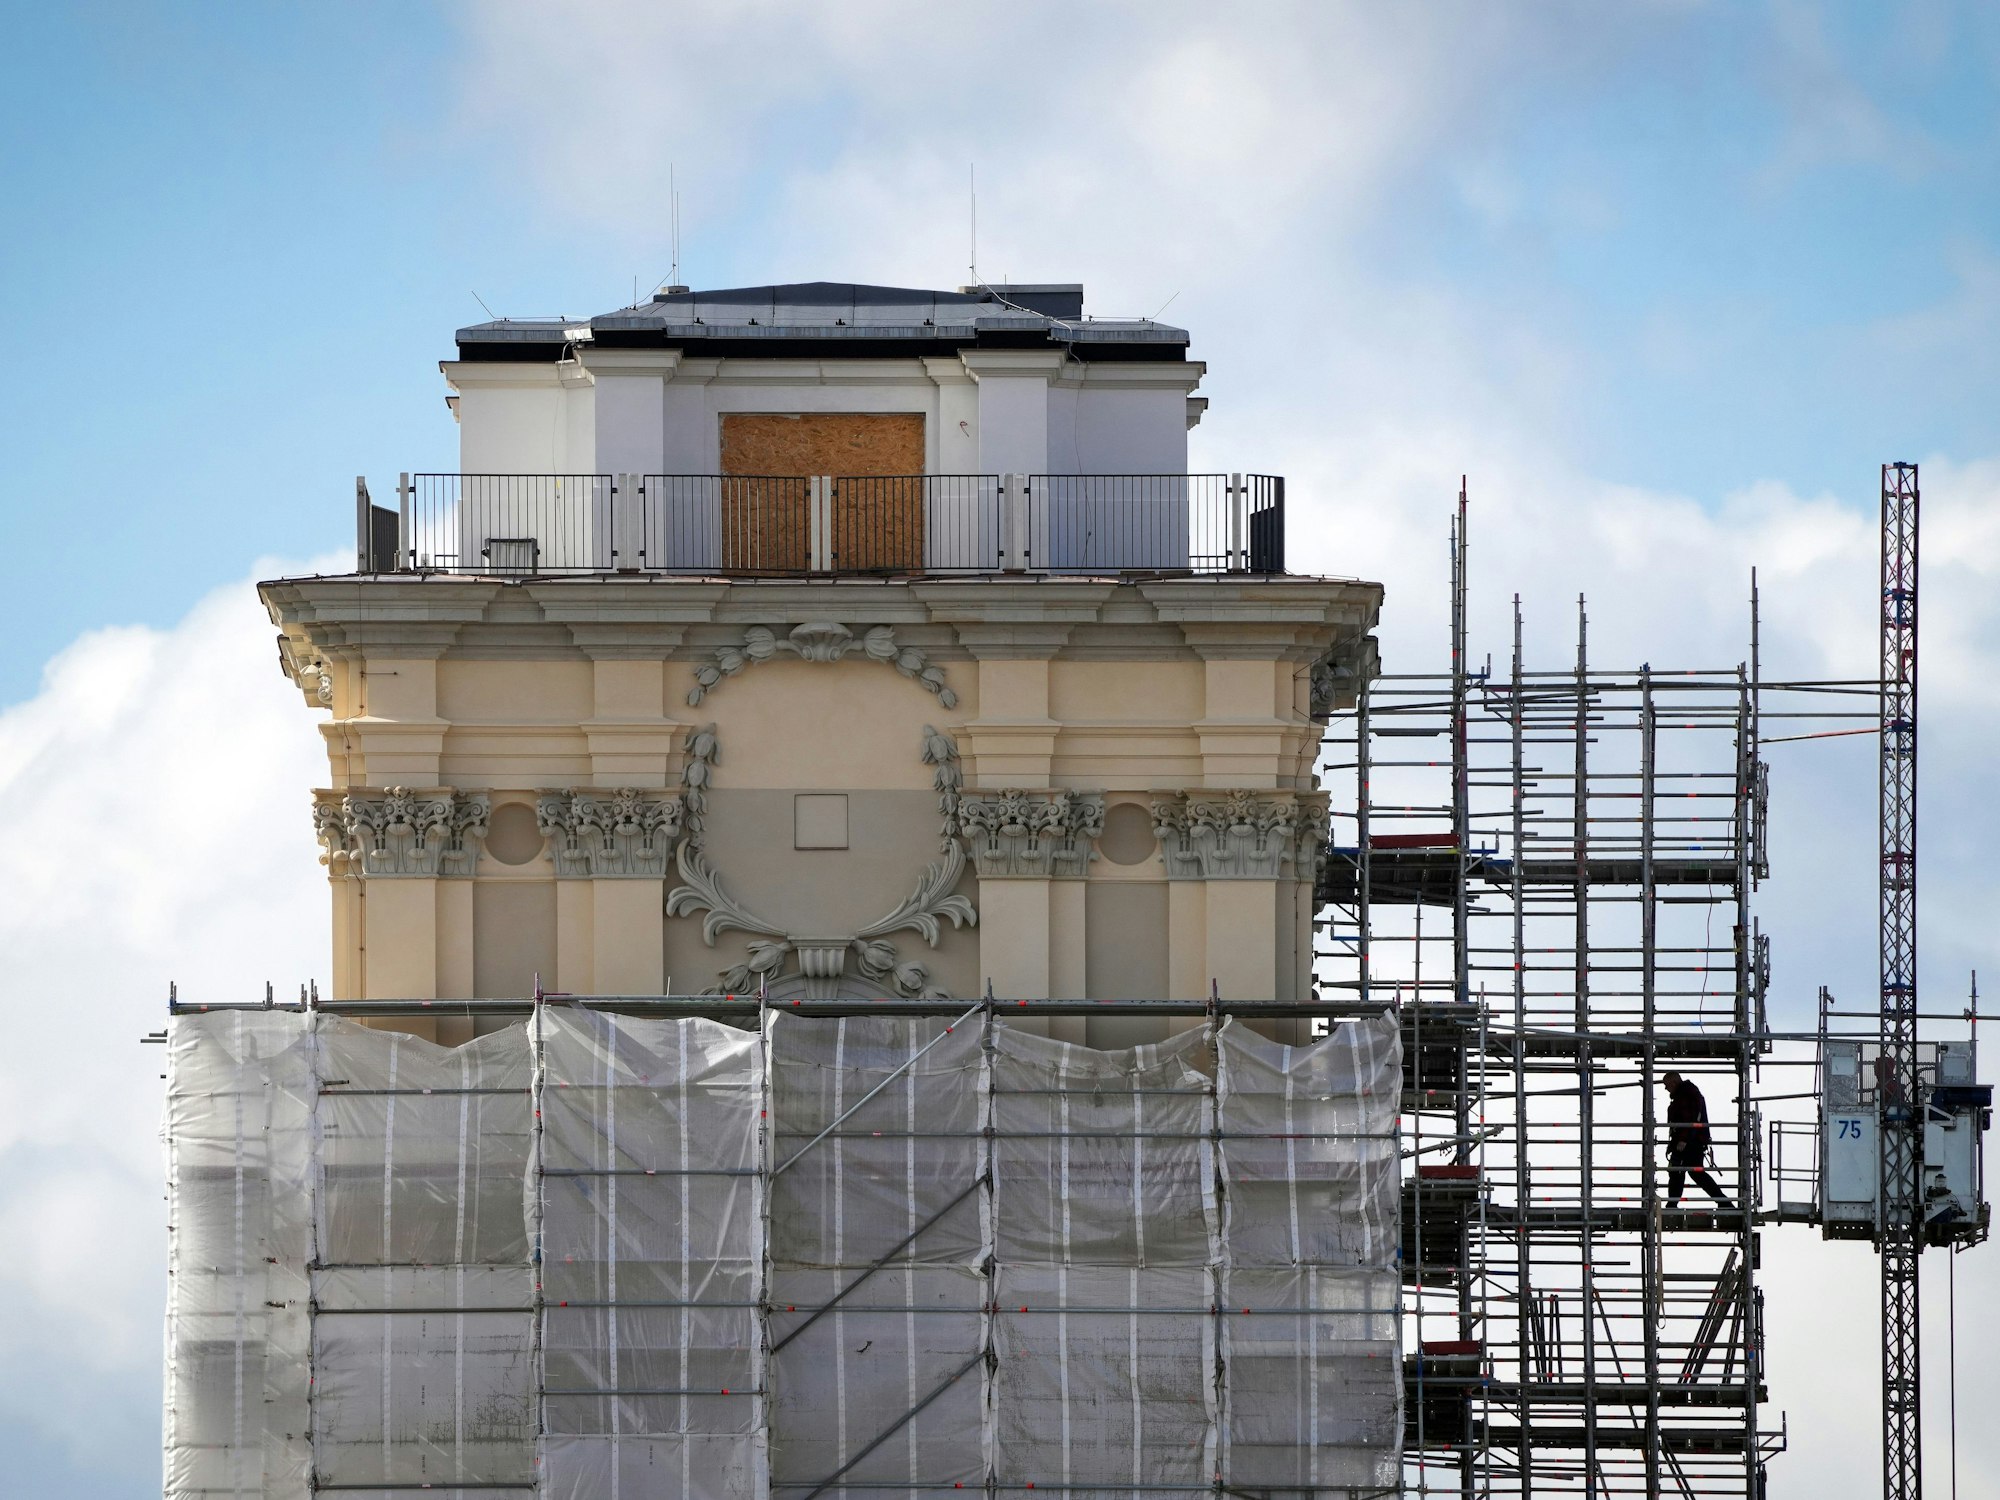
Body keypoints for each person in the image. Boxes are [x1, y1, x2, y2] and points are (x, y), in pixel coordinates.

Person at [1661, 1071, 1734, 1209]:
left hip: (1689, 1142)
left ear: (1673, 1083)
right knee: (1692, 1173)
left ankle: (1672, 1205)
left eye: (1666, 1085)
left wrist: (1683, 1139)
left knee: (1680, 1172)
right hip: (1692, 1140)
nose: (1666, 1088)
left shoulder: (1687, 1095)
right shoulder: (1688, 1093)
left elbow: (1691, 1119)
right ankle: (1724, 1203)